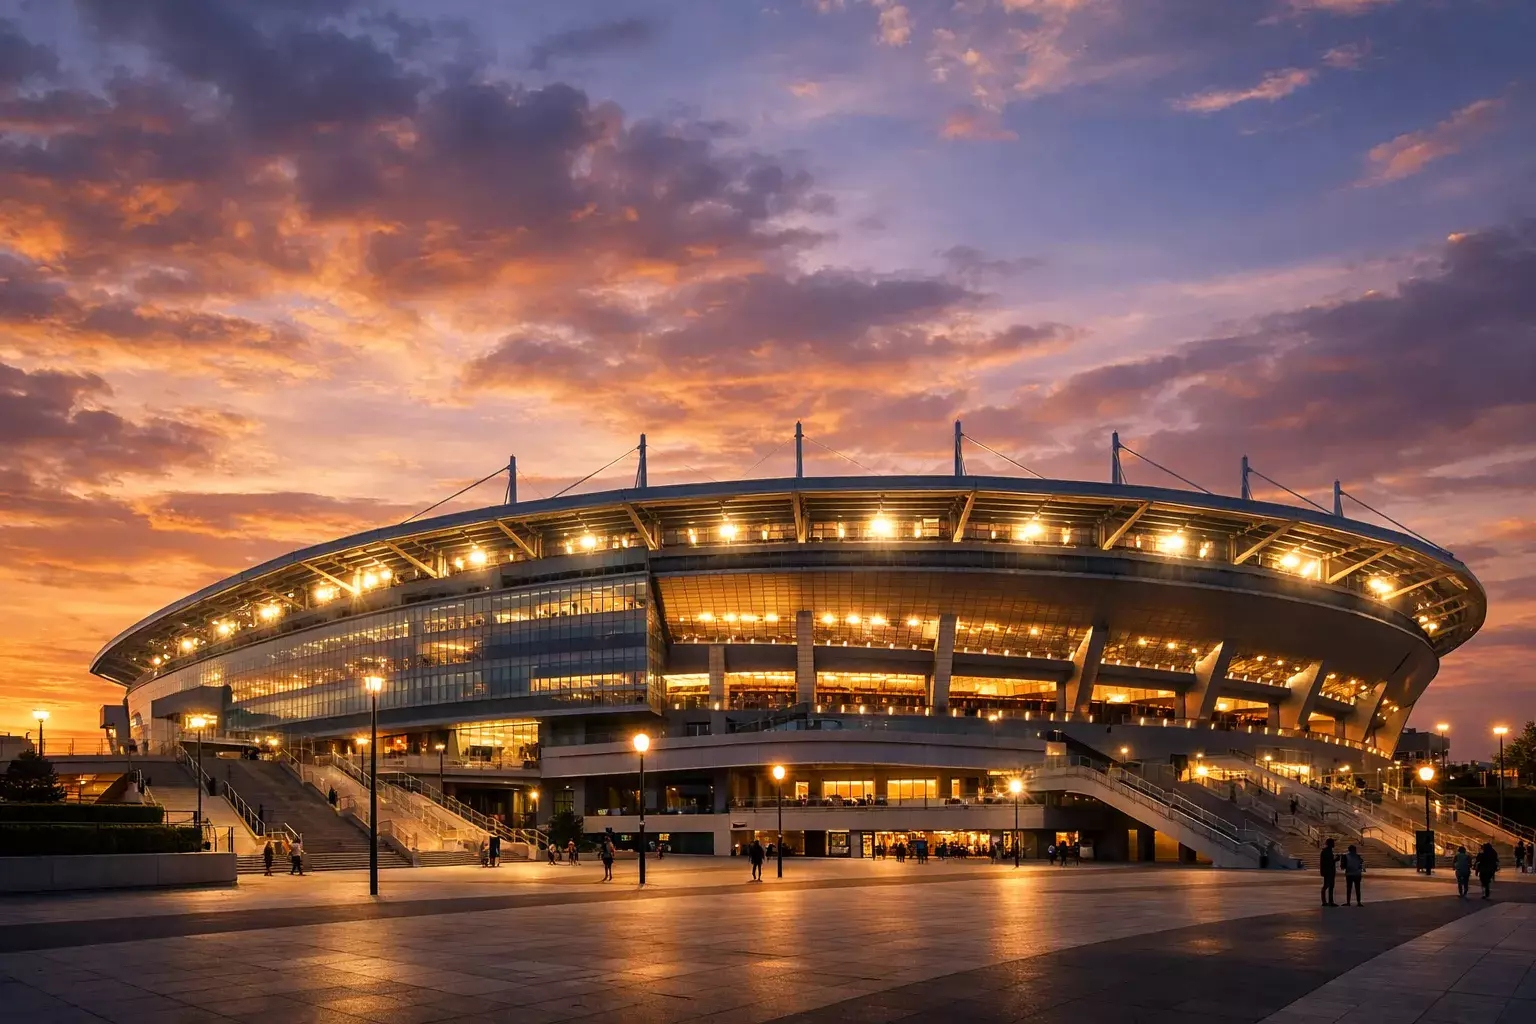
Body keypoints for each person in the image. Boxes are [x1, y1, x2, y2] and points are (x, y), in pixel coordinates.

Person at [1319, 838, 1338, 906]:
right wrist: (1335, 860)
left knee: (1330, 886)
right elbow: (1328, 862)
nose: (1334, 844)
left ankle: (1329, 901)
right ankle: (1326, 901)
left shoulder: (1328, 851)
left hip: (1329, 871)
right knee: (1327, 886)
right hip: (1328, 871)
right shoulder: (1326, 851)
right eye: (1333, 843)